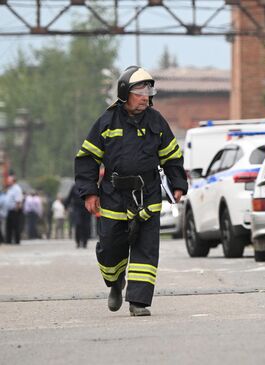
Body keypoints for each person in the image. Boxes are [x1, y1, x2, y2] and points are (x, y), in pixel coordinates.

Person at [74, 66, 187, 316]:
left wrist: (177, 183)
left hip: (148, 193)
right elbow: (87, 158)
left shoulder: (156, 121)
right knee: (110, 248)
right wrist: (89, 192)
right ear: (125, 93)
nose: (146, 96)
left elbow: (171, 155)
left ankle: (138, 301)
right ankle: (115, 282)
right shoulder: (106, 121)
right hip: (114, 195)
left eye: (149, 91)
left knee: (146, 247)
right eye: (140, 91)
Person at [4, 175, 24, 245]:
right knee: (9, 226)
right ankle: (8, 240)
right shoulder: (10, 189)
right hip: (10, 210)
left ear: (13, 181)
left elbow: (18, 200)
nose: (8, 182)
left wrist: (16, 209)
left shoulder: (17, 189)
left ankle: (17, 241)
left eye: (9, 181)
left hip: (15, 210)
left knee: (16, 226)